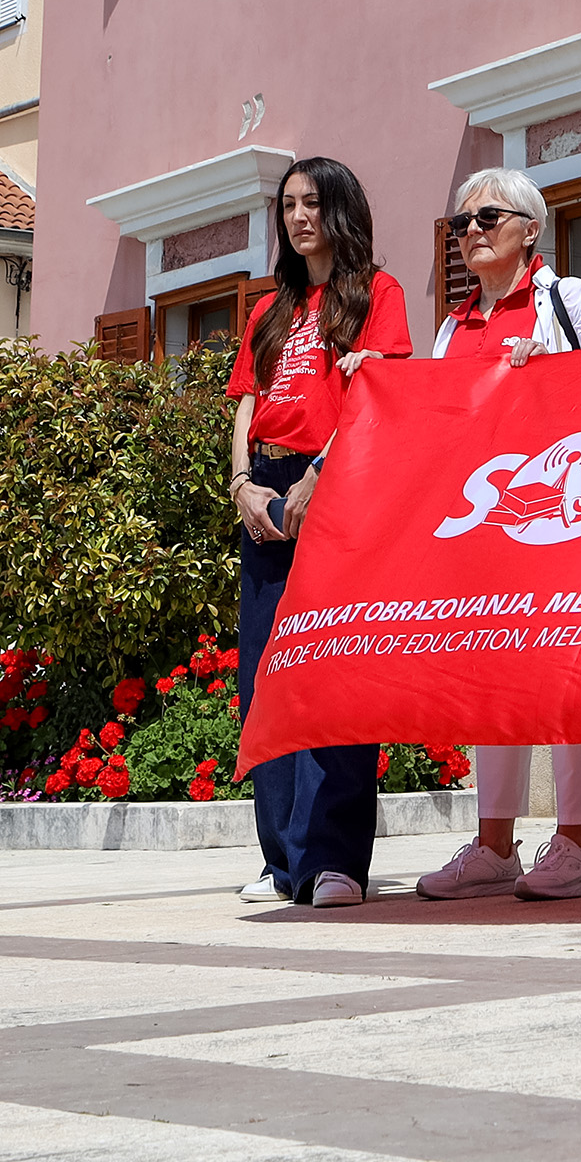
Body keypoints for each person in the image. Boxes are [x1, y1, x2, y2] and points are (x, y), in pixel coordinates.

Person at [412, 169, 581, 902]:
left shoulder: (572, 299)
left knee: (566, 677)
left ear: (531, 228)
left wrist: (553, 369)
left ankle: (575, 843)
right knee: (493, 678)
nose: (470, 230)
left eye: (487, 216)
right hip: (489, 530)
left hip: (564, 524)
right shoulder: (453, 324)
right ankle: (495, 843)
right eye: (460, 223)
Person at [226, 158, 410, 908]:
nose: (300, 216)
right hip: (263, 488)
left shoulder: (376, 293)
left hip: (337, 480)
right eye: (289, 205)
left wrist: (316, 477)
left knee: (333, 666)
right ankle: (281, 860)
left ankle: (333, 859)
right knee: (266, 677)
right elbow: (246, 400)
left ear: (341, 209)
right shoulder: (270, 308)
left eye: (313, 203)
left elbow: (378, 389)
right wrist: (241, 483)